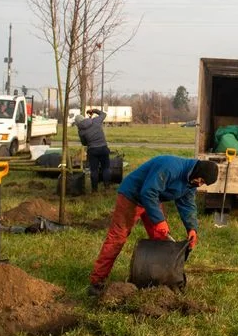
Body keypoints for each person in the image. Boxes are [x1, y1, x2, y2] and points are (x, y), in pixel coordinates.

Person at [88, 155, 219, 296]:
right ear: (197, 171)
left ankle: (158, 280)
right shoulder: (171, 167)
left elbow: (188, 205)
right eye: (201, 180)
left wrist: (192, 229)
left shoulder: (191, 182)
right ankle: (97, 282)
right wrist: (159, 221)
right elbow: (148, 192)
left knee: (161, 240)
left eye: (203, 183)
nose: (200, 184)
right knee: (117, 238)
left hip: (152, 200)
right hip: (132, 196)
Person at [74, 108, 111, 192]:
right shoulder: (95, 121)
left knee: (94, 170)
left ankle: (94, 190)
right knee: (106, 168)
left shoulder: (81, 131)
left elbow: (84, 143)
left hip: (92, 150)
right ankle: (107, 188)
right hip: (103, 148)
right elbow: (103, 114)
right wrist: (94, 110)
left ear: (77, 124)